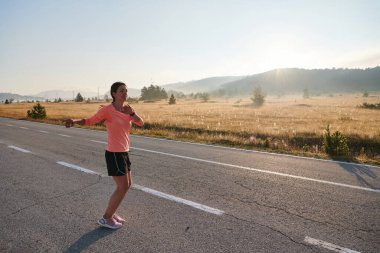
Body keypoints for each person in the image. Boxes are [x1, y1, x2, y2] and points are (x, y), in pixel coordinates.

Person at [66, 82, 144, 229]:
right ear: (114, 93)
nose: (125, 93)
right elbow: (90, 120)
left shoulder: (127, 109)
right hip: (114, 153)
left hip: (124, 152)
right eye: (121, 90)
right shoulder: (107, 110)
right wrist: (75, 121)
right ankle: (106, 218)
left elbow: (141, 123)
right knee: (122, 187)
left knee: (127, 185)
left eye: (126, 90)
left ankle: (111, 213)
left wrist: (132, 113)